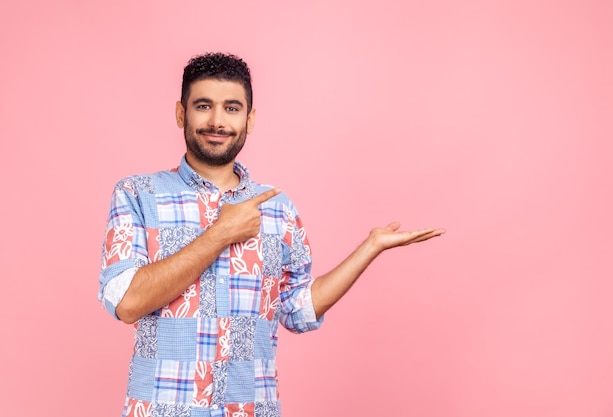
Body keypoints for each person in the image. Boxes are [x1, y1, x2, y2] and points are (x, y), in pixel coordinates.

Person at [98, 52, 445, 417]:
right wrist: (220, 234)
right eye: (204, 106)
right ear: (181, 113)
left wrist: (370, 247)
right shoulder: (138, 194)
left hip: (251, 409)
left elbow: (298, 309)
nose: (217, 121)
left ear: (249, 120)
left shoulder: (277, 208)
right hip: (161, 409)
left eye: (232, 109)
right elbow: (128, 303)